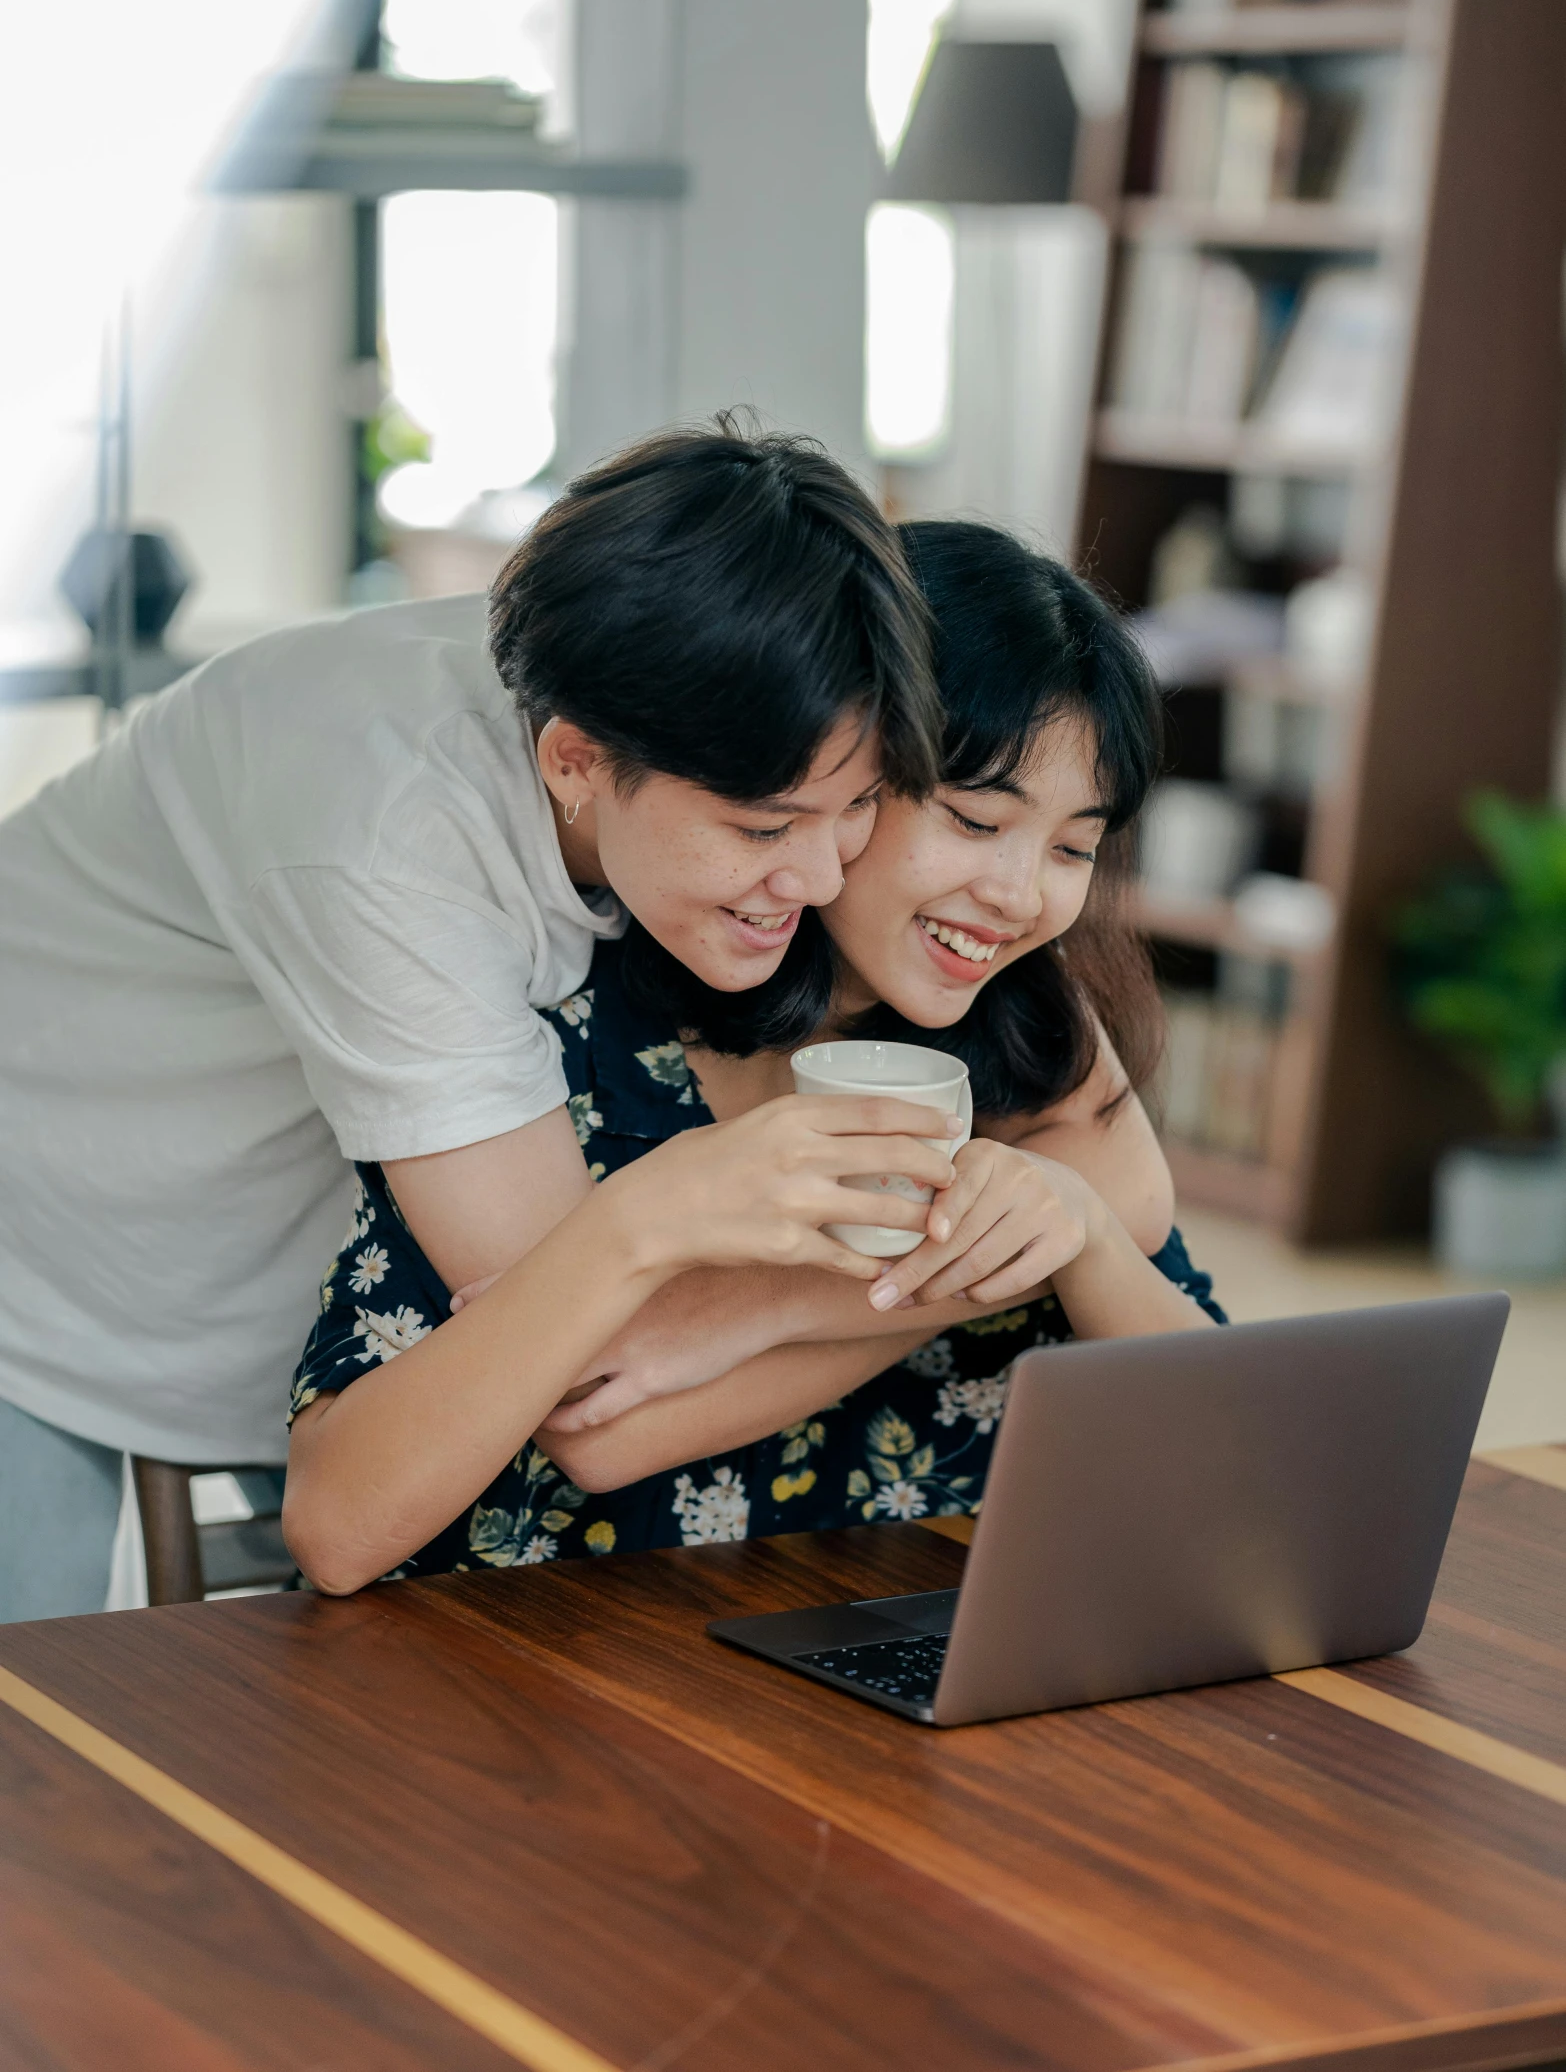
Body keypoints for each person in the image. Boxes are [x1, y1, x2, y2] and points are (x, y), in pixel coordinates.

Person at [0, 420, 943, 1621]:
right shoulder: (386, 843)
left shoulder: (672, 698)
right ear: (574, 761)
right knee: (36, 1716)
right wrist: (974, 1271)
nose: (819, 879)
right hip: (49, 1206)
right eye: (765, 830)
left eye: (856, 808)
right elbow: (587, 1346)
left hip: (307, 1226)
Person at [282, 523, 1223, 1589]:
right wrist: (969, 1269)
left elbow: (1233, 1455)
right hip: (531, 1693)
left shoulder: (1021, 1027)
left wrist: (1075, 1233)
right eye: (971, 818)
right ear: (846, 769)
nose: (1019, 895)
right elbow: (572, 1437)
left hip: (890, 1693)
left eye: (1073, 849)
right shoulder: (563, 1039)